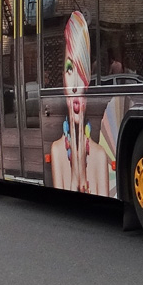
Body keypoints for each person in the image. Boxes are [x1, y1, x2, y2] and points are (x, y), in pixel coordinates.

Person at [50, 12, 91, 192]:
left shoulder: (98, 155)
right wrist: (75, 175)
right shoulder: (57, 151)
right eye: (69, 70)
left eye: (81, 71)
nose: (75, 86)